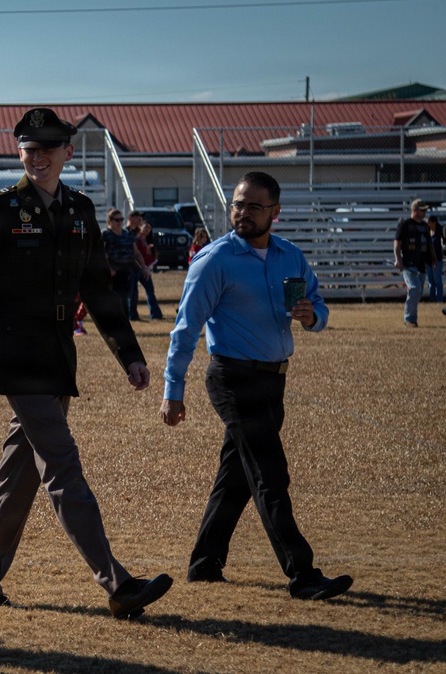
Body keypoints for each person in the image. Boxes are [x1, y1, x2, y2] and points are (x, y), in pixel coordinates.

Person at [0, 107, 173, 620]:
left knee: (18, 473)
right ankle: (116, 583)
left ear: (69, 152)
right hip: (15, 358)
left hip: (56, 357)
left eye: (49, 147)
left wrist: (129, 355)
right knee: (63, 468)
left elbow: (97, 288)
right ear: (18, 151)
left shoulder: (80, 210)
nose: (38, 156)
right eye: (30, 147)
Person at [160, 171, 353, 601]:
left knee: (237, 478)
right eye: (237, 204)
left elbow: (318, 307)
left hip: (273, 380)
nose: (242, 213)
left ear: (275, 213)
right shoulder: (214, 259)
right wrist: (173, 389)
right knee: (270, 473)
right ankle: (302, 573)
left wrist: (310, 317)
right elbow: (185, 329)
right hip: (231, 377)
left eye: (253, 207)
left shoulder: (290, 257)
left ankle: (204, 563)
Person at [393, 199, 435, 327]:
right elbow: (397, 243)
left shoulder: (424, 226)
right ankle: (409, 320)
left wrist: (433, 258)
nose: (425, 213)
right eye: (423, 210)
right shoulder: (405, 225)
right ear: (415, 210)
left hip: (421, 264)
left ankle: (412, 318)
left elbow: (429, 244)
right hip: (408, 264)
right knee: (414, 288)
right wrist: (398, 259)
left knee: (419, 292)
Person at [100, 208, 146, 316]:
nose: (120, 222)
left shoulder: (127, 234)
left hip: (127, 272)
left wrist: (144, 267)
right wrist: (108, 269)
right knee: (116, 300)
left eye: (121, 219)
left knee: (125, 299)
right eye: (117, 220)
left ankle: (123, 326)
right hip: (113, 273)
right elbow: (101, 254)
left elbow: (136, 253)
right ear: (110, 221)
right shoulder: (106, 234)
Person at [134, 221, 164, 320]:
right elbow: (136, 253)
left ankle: (155, 314)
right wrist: (145, 249)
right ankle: (132, 315)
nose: (147, 229)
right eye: (145, 227)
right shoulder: (136, 239)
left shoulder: (149, 240)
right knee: (133, 293)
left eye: (149, 228)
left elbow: (151, 255)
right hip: (136, 269)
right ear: (140, 227)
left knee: (150, 291)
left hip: (146, 269)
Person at [426, 214, 443, 304]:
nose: (428, 224)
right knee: (431, 281)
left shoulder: (440, 232)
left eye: (429, 223)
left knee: (437, 280)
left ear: (434, 223)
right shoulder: (428, 232)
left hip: (437, 259)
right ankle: (432, 299)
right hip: (429, 260)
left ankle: (439, 299)